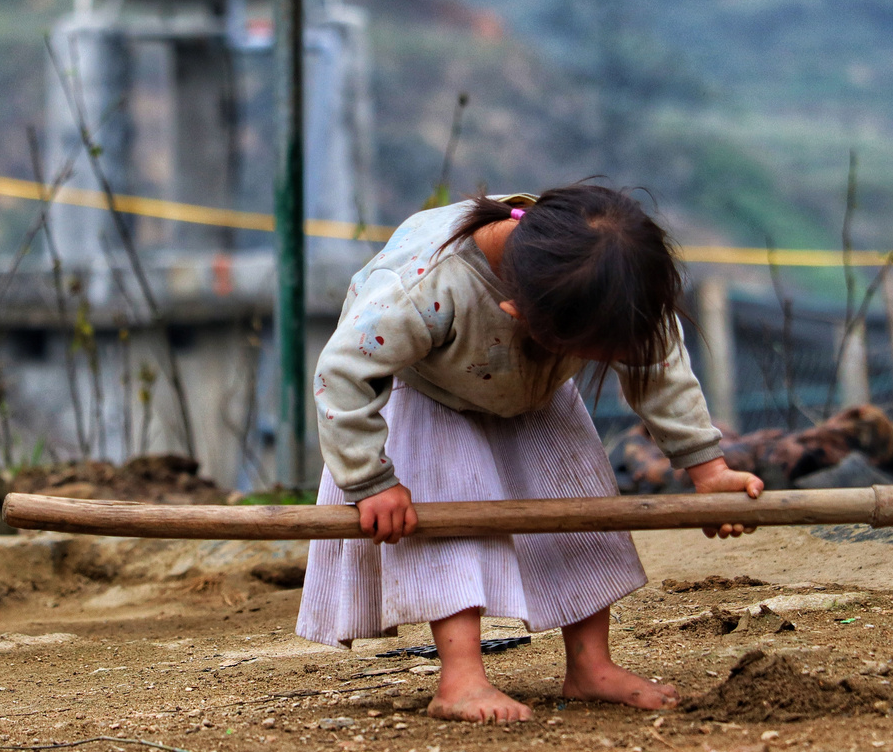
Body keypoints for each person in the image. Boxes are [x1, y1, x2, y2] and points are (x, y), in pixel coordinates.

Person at [299, 184, 763, 723]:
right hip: (429, 394)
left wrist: (709, 470)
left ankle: (591, 667)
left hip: (532, 395)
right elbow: (343, 374)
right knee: (450, 525)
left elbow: (659, 366)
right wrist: (370, 481)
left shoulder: (606, 277)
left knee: (582, 513)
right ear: (517, 314)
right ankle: (461, 680)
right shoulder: (426, 286)